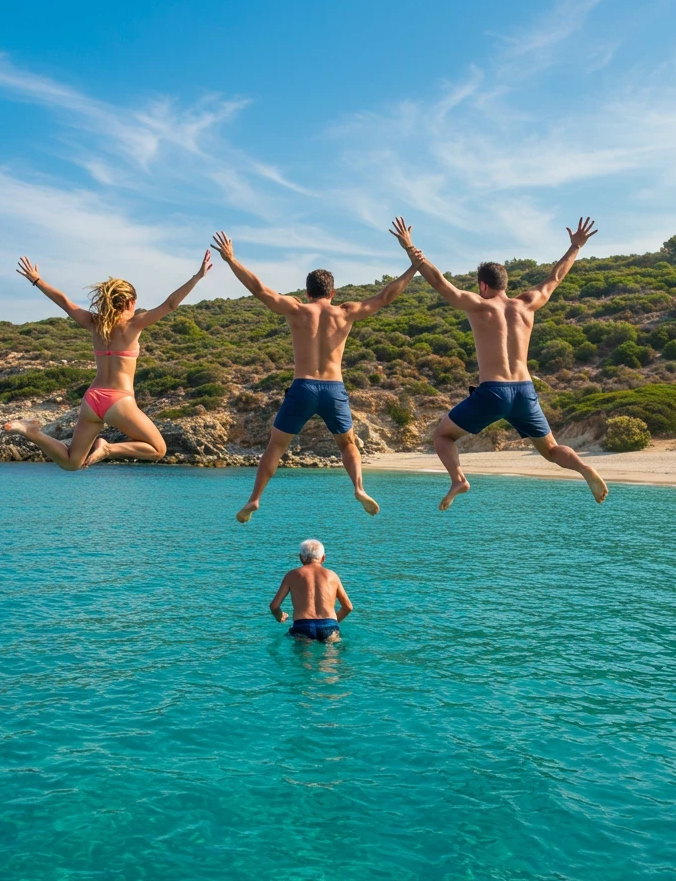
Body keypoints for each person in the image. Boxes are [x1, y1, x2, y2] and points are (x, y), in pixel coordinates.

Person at [389, 217, 609, 509]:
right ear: (505, 283)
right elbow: (555, 277)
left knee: (442, 436)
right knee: (552, 449)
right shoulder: (527, 303)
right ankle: (584, 469)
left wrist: (411, 250)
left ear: (483, 285)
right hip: (524, 391)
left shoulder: (479, 305)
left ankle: (458, 479)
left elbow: (441, 283)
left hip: (493, 391)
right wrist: (575, 247)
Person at [210, 231, 419, 522]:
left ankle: (255, 498)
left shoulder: (297, 310)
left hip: (303, 386)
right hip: (333, 388)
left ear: (307, 292)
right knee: (348, 444)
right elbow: (385, 297)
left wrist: (231, 259)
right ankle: (358, 488)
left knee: (276, 446)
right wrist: (413, 267)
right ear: (332, 293)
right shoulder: (345, 312)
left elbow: (258, 289)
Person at [3, 252, 212, 469]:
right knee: (158, 449)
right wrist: (197, 277)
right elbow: (170, 304)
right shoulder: (133, 324)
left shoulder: (94, 323)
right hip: (119, 401)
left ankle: (31, 432)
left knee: (72, 462)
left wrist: (37, 280)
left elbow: (65, 303)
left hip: (92, 400)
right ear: (131, 302)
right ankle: (108, 448)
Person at [269, 539, 353, 641]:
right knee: (331, 655)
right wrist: (332, 622)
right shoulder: (332, 576)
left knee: (304, 656)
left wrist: (280, 617)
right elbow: (348, 607)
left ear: (301, 558)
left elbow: (274, 606)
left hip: (302, 626)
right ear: (323, 558)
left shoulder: (291, 575)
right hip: (329, 625)